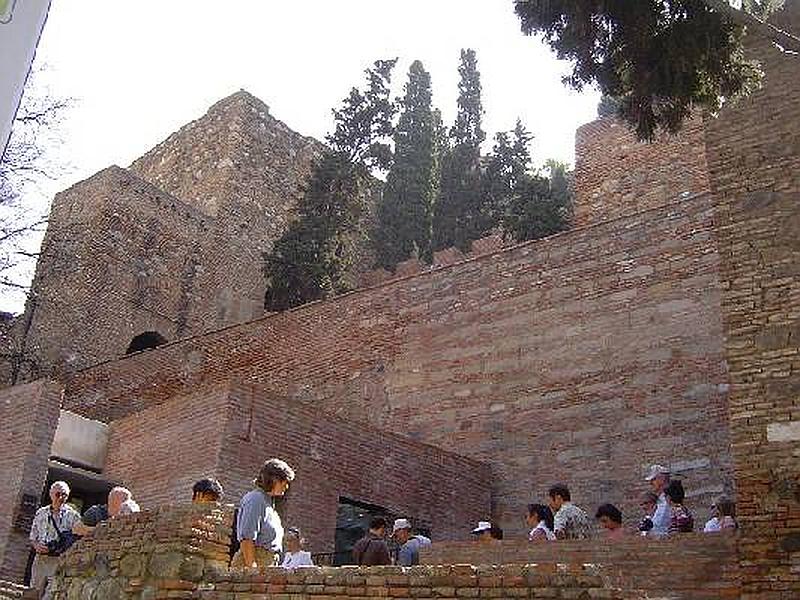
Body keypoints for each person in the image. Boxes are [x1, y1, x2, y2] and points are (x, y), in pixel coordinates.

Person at [232, 458, 295, 569]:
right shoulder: (256, 499)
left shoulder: (269, 503)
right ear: (275, 479)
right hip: (253, 562)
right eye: (285, 481)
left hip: (266, 563)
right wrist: (252, 568)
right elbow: (247, 538)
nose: (286, 486)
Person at [29, 481, 80, 599]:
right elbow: (33, 536)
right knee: (34, 592)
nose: (61, 497)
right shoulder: (41, 513)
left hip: (58, 560)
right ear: (51, 494)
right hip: (40, 559)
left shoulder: (74, 516)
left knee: (51, 594)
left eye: (65, 495)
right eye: (58, 494)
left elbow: (77, 539)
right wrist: (36, 546)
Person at [644, 464, 671, 537]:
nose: (650, 483)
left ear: (661, 479)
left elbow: (659, 528)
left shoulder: (668, 501)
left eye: (653, 479)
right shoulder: (658, 501)